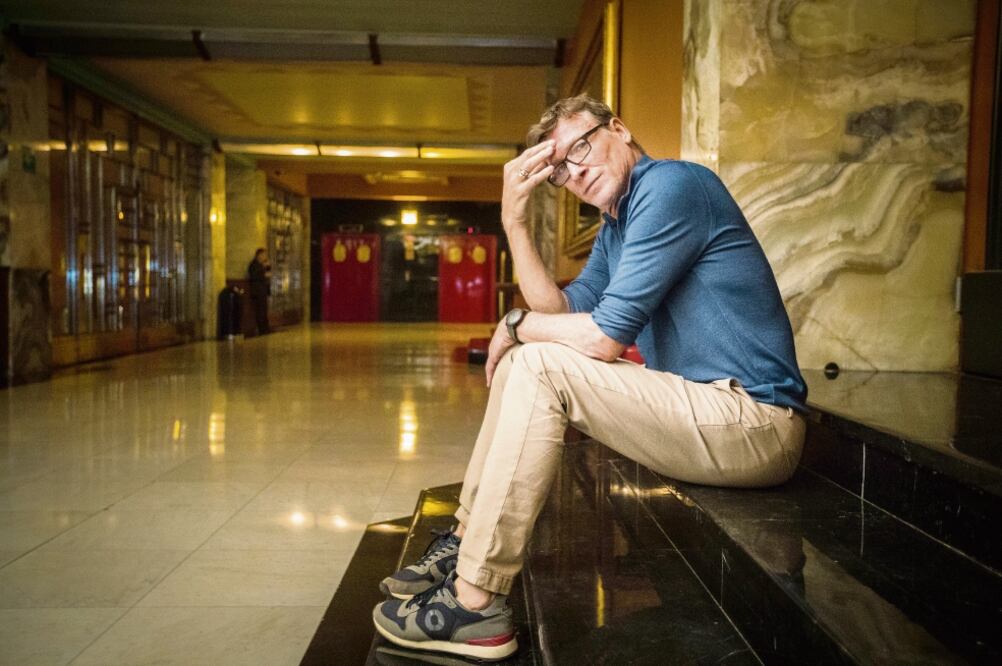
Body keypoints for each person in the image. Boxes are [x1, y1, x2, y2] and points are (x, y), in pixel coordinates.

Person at [372, 94, 808, 661]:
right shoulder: (616, 225)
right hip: (705, 415)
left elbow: (601, 338)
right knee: (531, 354)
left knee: (536, 356)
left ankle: (476, 605)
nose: (572, 172)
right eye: (557, 169)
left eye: (579, 147)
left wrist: (516, 325)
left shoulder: (672, 185)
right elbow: (559, 317)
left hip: (756, 423)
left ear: (619, 129)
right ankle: (463, 545)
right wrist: (513, 222)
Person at [247, 248, 271, 336]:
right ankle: (262, 329)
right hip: (257, 291)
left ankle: (266, 328)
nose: (265, 257)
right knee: (260, 311)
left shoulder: (262, 264)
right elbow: (254, 276)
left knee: (264, 310)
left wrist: (267, 267)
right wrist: (264, 273)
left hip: (263, 291)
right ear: (259, 255)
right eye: (264, 255)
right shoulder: (254, 264)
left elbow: (268, 274)